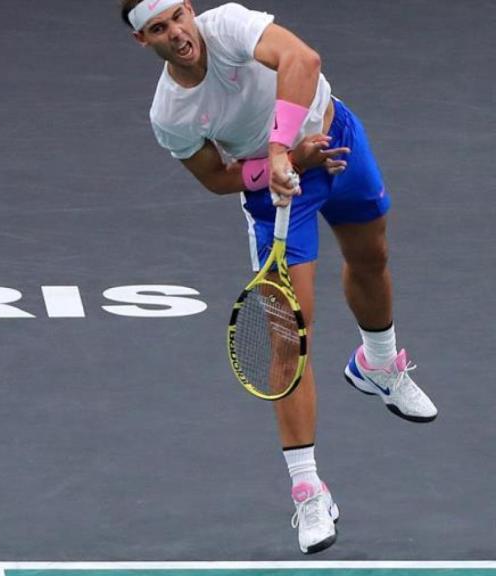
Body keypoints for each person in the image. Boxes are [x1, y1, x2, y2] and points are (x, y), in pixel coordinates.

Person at [119, 0, 438, 554]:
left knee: (371, 258)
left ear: (189, 9)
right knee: (288, 333)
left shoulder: (229, 26)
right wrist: (279, 165)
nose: (177, 33)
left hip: (336, 139)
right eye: (158, 29)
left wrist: (281, 146)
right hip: (278, 193)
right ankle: (307, 488)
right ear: (143, 40)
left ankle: (379, 364)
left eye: (177, 17)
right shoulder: (170, 113)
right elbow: (215, 178)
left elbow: (302, 60)